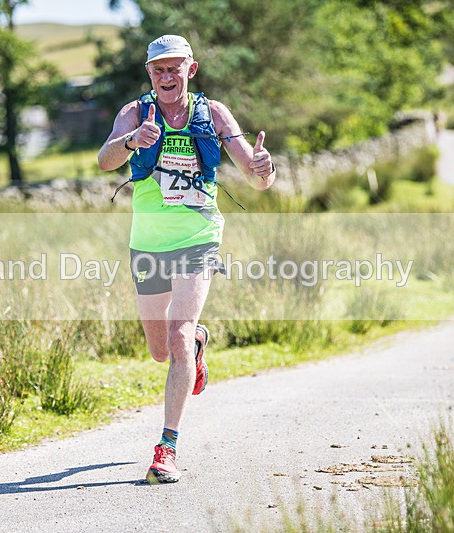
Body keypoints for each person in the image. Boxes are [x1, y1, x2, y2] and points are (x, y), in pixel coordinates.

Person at [97, 34, 276, 483]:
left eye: (174, 68)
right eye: (158, 69)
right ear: (149, 74)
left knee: (175, 336)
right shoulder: (134, 113)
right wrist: (132, 141)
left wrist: (263, 168)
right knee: (161, 351)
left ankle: (166, 448)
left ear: (190, 70)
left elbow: (255, 176)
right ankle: (196, 343)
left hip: (199, 238)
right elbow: (104, 160)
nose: (166, 77)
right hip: (148, 243)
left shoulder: (213, 113)